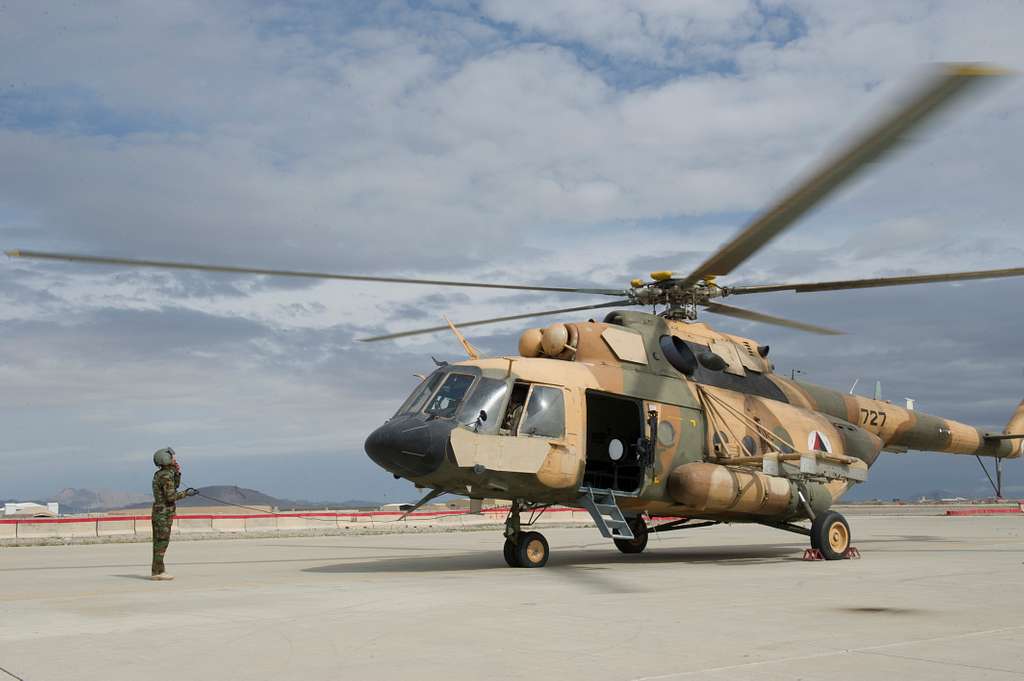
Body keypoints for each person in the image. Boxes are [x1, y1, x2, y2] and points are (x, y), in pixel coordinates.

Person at [150, 447, 197, 580]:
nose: (174, 459)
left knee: (159, 542)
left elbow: (174, 486)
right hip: (163, 513)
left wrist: (176, 472)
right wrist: (186, 494)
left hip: (161, 511)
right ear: (165, 459)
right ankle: (158, 572)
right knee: (162, 542)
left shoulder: (163, 474)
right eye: (172, 457)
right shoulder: (165, 476)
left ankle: (158, 571)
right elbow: (170, 496)